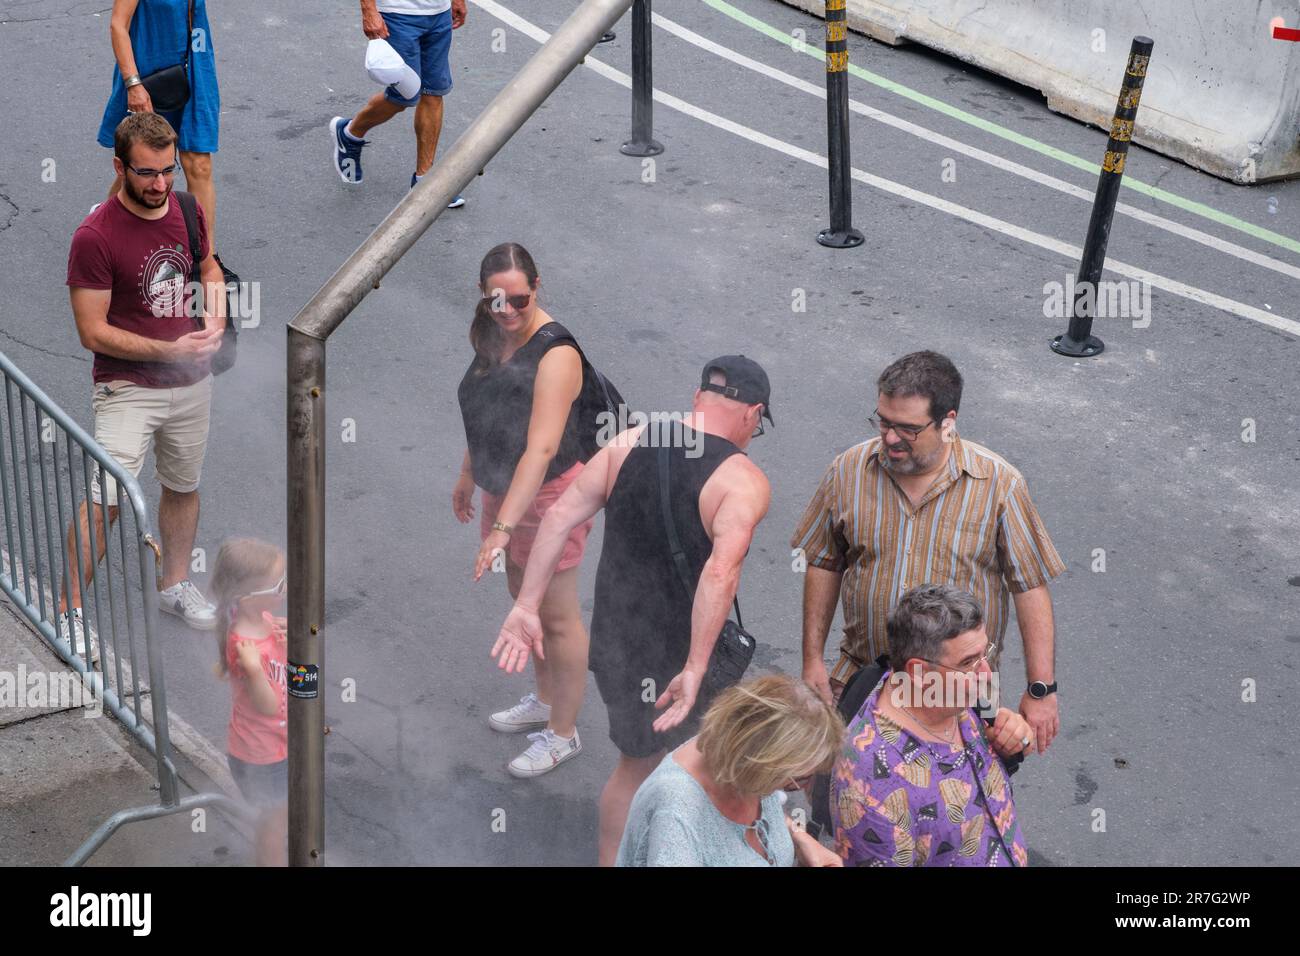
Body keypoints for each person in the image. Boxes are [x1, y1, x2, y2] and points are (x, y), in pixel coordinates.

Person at [492, 355, 774, 865]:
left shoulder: (628, 442)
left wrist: (528, 605)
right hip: (683, 655)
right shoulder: (742, 480)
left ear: (697, 399)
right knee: (712, 767)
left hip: (619, 642)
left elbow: (557, 518)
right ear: (753, 414)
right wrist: (693, 667)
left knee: (634, 766)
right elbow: (719, 574)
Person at [793, 350, 1066, 753]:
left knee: (951, 807)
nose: (888, 437)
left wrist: (1041, 690)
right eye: (883, 421)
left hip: (957, 695)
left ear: (948, 423)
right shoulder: (848, 469)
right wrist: (813, 659)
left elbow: (1029, 587)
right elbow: (824, 562)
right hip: (862, 681)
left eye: (907, 428)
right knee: (842, 797)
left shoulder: (999, 484)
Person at [63, 113, 225, 656]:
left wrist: (216, 320)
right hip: (127, 388)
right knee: (104, 501)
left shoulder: (185, 209)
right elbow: (92, 331)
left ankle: (174, 585)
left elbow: (208, 268)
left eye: (168, 171)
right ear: (120, 167)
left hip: (191, 382)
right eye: (147, 173)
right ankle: (69, 611)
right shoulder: (95, 237)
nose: (160, 184)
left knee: (182, 486)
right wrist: (167, 350)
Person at [455, 243, 595, 778]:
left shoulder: (556, 355)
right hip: (504, 486)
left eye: (520, 299)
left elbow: (540, 450)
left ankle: (564, 732)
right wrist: (469, 474)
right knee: (521, 598)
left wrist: (503, 527)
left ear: (538, 288)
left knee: (555, 615)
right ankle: (542, 698)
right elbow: (485, 407)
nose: (509, 310)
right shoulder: (494, 330)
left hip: (548, 495)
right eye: (498, 299)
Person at [831, 584, 1035, 867]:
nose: (987, 672)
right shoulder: (870, 784)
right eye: (968, 662)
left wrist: (1015, 740)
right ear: (918, 671)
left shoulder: (965, 692)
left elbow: (1002, 754)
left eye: (984, 653)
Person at [617, 675, 844, 867]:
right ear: (761, 761)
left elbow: (766, 810)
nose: (798, 787)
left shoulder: (736, 759)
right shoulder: (675, 818)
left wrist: (801, 839)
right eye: (798, 778)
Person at [98, 0, 224, 254]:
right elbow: (118, 25)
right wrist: (133, 84)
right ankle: (102, 226)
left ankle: (204, 257)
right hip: (149, 75)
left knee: (199, 164)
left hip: (194, 68)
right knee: (140, 164)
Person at [331, 0, 469, 205]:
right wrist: (369, 10)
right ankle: (350, 133)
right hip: (398, 15)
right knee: (404, 96)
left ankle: (424, 180)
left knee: (433, 93)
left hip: (439, 13)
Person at [210, 538, 288, 867]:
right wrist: (255, 671)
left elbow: (290, 672)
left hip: (274, 746)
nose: (285, 589)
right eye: (278, 584)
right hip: (262, 758)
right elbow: (268, 706)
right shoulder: (245, 648)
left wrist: (286, 634)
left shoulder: (263, 619)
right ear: (246, 599)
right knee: (275, 826)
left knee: (276, 820)